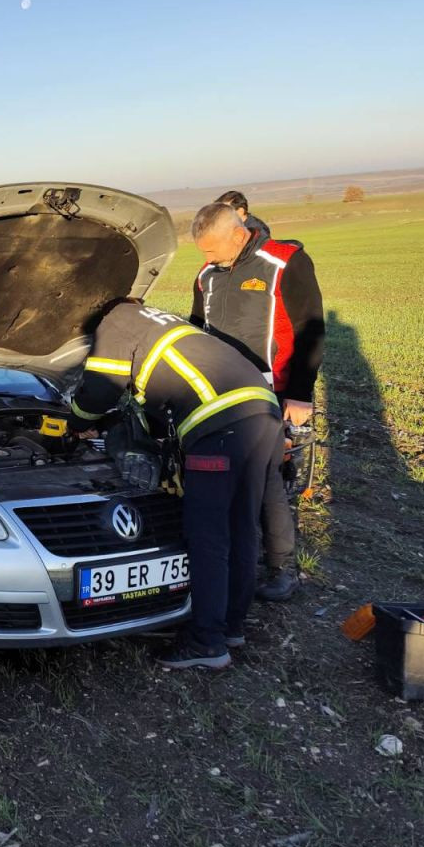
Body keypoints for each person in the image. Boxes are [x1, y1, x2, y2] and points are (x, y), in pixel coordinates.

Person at [69, 300, 284, 670]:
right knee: (242, 526)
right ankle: (232, 626)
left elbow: (100, 389)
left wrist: (74, 421)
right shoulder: (157, 321)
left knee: (208, 536)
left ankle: (206, 642)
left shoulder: (117, 322)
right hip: (263, 413)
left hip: (217, 424)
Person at [189, 203, 325, 602]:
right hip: (219, 394)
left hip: (272, 393)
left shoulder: (285, 262)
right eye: (202, 253)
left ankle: (282, 568)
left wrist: (299, 392)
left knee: (268, 482)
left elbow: (310, 328)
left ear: (238, 233)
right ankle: (229, 559)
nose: (207, 259)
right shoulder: (206, 274)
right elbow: (196, 330)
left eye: (212, 250)